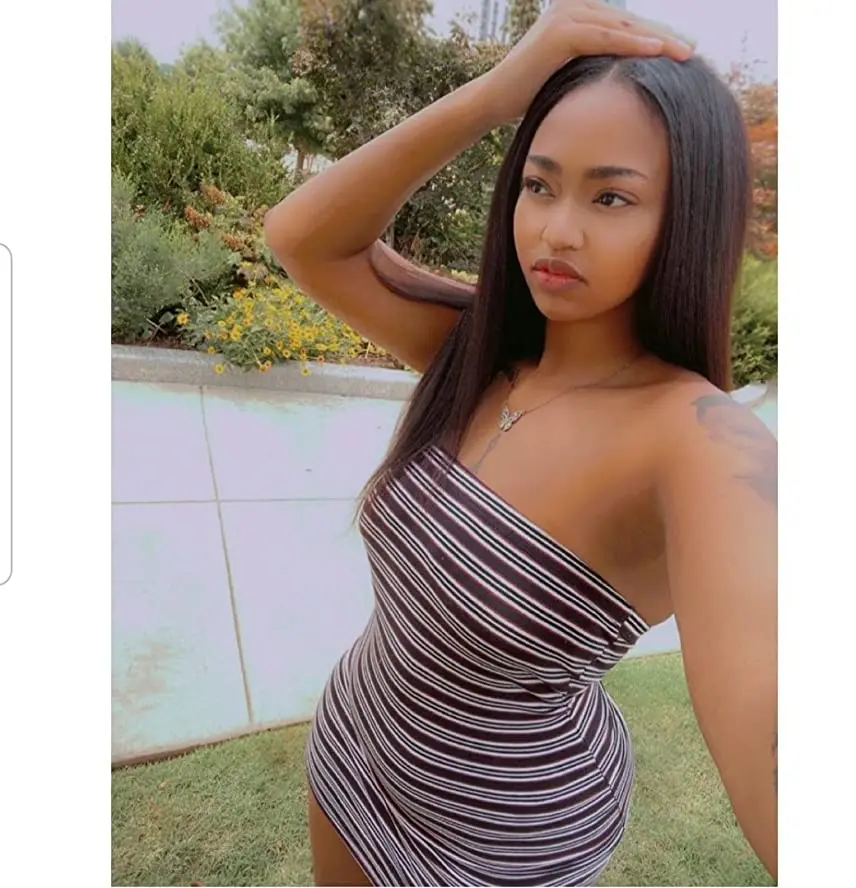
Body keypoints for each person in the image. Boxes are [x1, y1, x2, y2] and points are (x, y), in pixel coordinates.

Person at [264, 1, 778, 885]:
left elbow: (775, 714)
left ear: (688, 219)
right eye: (539, 185)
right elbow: (301, 238)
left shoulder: (698, 441)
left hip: (502, 841)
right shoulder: (480, 349)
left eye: (611, 197)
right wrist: (497, 94)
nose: (555, 229)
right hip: (355, 745)